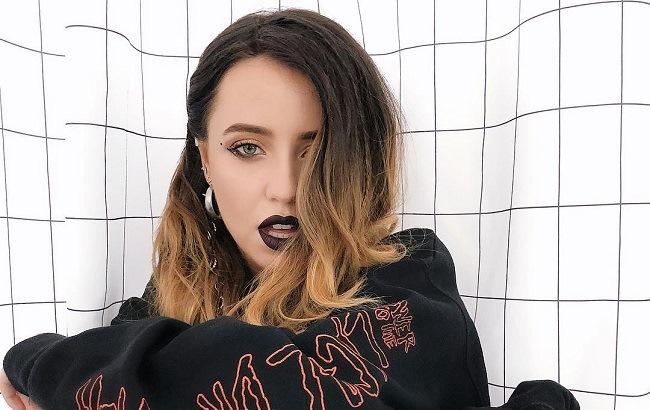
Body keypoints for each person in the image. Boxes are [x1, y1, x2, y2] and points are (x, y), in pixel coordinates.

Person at [1, 8, 580, 409]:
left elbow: (286, 390)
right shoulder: (161, 305)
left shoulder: (410, 286)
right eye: (246, 148)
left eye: (317, 152)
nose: (285, 189)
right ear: (205, 159)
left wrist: (41, 362)